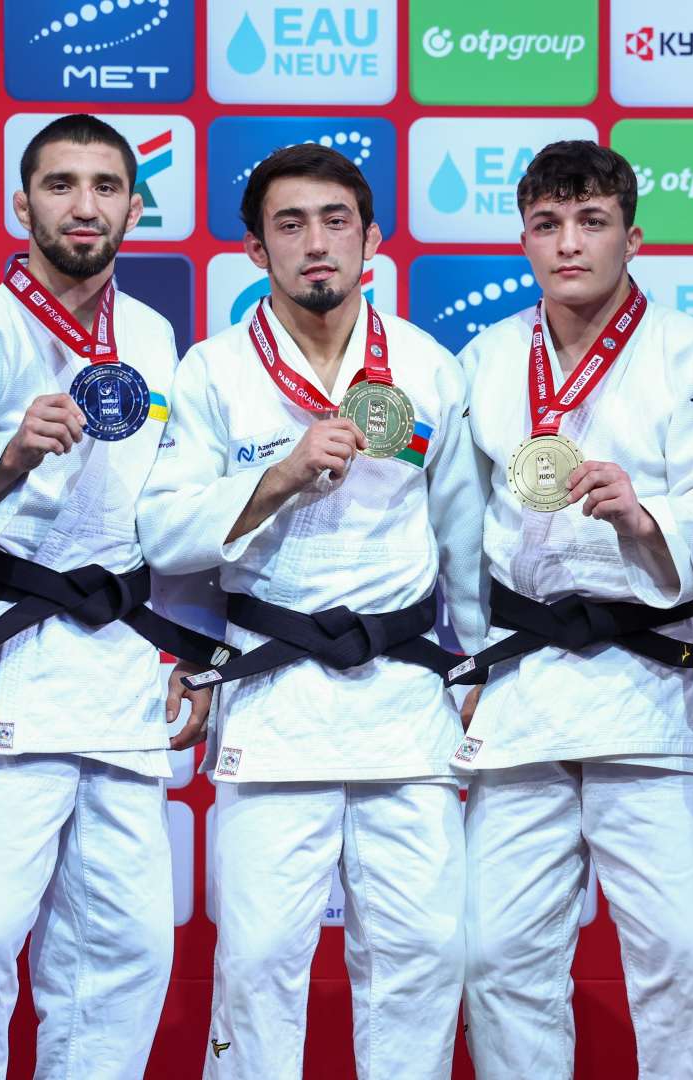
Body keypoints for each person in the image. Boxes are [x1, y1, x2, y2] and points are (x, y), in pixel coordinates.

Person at [0, 113, 230, 1080]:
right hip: (7, 661)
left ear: (132, 205)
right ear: (21, 202)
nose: (86, 206)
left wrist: (197, 654)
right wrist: (8, 452)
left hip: (120, 669)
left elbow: (174, 512)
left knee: (124, 956)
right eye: (63, 184)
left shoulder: (156, 340)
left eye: (107, 186)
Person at [136, 143, 488, 1080]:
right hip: (274, 696)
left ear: (372, 239)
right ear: (256, 250)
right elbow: (167, 534)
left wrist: (483, 661)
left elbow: (462, 534)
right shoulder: (212, 372)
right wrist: (280, 475)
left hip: (406, 705)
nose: (315, 243)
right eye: (289, 225)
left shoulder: (423, 366)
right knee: (256, 967)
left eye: (336, 221)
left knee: (418, 963)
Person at [450, 140, 693, 1080]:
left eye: (592, 222)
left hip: (647, 685)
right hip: (524, 690)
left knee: (683, 963)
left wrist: (645, 516)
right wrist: (466, 666)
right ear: (524, 240)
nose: (568, 243)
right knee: (498, 958)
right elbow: (458, 531)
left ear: (633, 236)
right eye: (547, 225)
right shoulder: (489, 359)